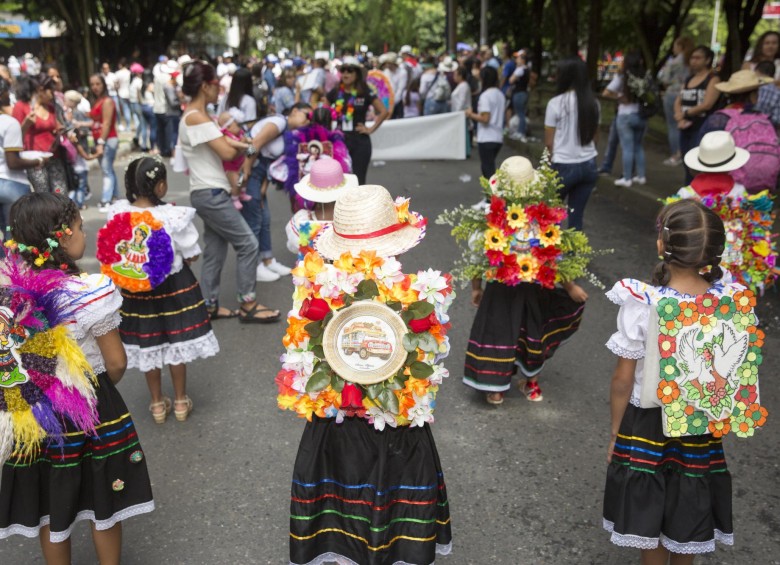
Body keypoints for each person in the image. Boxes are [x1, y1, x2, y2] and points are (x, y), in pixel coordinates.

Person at [279, 184, 453, 565]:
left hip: (334, 426)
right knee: (389, 506)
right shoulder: (421, 296)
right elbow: (430, 365)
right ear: (397, 244)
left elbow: (299, 359)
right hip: (394, 428)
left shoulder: (314, 290)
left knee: (339, 505)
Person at [0, 192, 154, 562]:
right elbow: (115, 362)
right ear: (65, 235)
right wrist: (100, 389)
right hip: (92, 405)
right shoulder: (89, 291)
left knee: (51, 506)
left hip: (33, 409)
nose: (86, 234)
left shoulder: (10, 294)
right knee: (104, 501)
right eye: (82, 228)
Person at [603, 199, 743, 560]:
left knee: (648, 510)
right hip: (700, 419)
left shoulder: (644, 302)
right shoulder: (728, 299)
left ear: (662, 245)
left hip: (647, 420)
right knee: (689, 502)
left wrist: (617, 431)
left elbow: (623, 379)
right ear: (714, 251)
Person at [459, 157, 589, 405]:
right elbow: (554, 256)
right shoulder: (542, 221)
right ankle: (531, 384)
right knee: (532, 331)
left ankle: (495, 389)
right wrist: (571, 286)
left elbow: (477, 258)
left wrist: (476, 289)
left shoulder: (490, 220)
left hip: (499, 290)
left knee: (497, 333)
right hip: (534, 289)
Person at [100, 157, 219, 424]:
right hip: (173, 287)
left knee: (148, 343)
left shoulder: (119, 213)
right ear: (161, 186)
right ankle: (179, 401)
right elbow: (192, 253)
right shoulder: (172, 216)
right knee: (176, 340)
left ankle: (156, 404)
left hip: (136, 289)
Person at [177, 60, 281, 323]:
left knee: (215, 250)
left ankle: (209, 306)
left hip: (209, 192)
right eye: (215, 85)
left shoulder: (197, 116)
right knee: (248, 243)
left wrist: (237, 143)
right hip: (210, 193)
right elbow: (224, 150)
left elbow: (226, 142)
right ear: (204, 86)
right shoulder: (195, 117)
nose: (219, 90)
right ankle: (248, 303)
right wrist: (246, 146)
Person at [544, 56, 600, 232]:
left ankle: (554, 254)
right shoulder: (593, 104)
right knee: (577, 216)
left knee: (553, 215)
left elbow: (549, 143)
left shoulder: (555, 104)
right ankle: (574, 256)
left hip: (563, 165)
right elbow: (595, 137)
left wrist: (547, 167)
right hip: (589, 164)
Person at [326, 57, 389, 185]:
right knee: (339, 181)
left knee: (358, 181)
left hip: (360, 142)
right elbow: (323, 113)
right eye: (343, 70)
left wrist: (370, 129)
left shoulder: (365, 91)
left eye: (350, 70)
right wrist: (328, 132)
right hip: (340, 142)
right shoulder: (336, 91)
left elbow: (383, 111)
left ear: (357, 74)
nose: (345, 74)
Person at [285, 156, 358, 261]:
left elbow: (293, 247)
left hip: (312, 275)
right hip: (348, 275)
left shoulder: (300, 220)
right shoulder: (355, 219)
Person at [12, 74, 68, 194]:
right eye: (50, 92)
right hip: (35, 162)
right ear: (40, 90)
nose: (52, 95)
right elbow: (14, 139)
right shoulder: (21, 107)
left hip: (54, 157)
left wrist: (59, 131)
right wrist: (26, 125)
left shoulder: (51, 108)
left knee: (60, 194)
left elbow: (55, 126)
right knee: (43, 197)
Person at [674, 45, 721, 184]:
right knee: (685, 159)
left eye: (698, 58)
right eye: (692, 58)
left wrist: (685, 113)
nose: (694, 61)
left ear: (707, 60)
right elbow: (679, 99)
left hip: (701, 127)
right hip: (685, 126)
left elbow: (707, 104)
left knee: (695, 164)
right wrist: (679, 115)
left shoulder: (713, 78)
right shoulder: (689, 79)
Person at [603, 51, 649, 188]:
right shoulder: (644, 77)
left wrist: (619, 97)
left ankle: (627, 178)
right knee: (638, 146)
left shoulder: (622, 77)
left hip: (625, 116)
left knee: (627, 148)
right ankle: (641, 176)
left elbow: (606, 92)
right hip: (641, 115)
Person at [0, 78, 39, 230]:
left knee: (4, 246)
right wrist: (38, 161)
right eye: (6, 92)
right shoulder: (9, 122)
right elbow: (13, 162)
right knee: (17, 241)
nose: (9, 95)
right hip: (12, 184)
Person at [466, 66, 504, 210]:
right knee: (490, 169)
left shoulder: (485, 96)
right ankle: (489, 198)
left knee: (487, 170)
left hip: (487, 137)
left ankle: (490, 201)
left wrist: (470, 114)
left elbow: (485, 118)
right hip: (497, 136)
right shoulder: (499, 94)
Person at [657, 36, 694, 166]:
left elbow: (664, 79)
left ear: (680, 46)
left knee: (673, 126)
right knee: (686, 124)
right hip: (688, 95)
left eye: (675, 45)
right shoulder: (692, 62)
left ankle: (675, 154)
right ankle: (685, 153)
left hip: (672, 94)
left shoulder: (674, 62)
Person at [89, 74, 120, 211]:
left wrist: (100, 142)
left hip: (107, 139)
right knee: (109, 170)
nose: (95, 87)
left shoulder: (107, 101)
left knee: (106, 170)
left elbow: (106, 124)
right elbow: (95, 121)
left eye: (98, 84)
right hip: (101, 139)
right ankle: (115, 197)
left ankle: (106, 200)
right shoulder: (97, 101)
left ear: (103, 85)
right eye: (92, 84)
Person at [217, 110, 252, 209]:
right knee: (236, 181)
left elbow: (248, 138)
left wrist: (249, 140)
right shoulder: (226, 135)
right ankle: (234, 198)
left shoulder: (241, 132)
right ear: (228, 127)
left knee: (243, 179)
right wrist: (244, 145)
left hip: (240, 162)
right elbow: (232, 143)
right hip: (230, 165)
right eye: (237, 124)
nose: (240, 126)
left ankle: (241, 192)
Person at [508, 50, 531, 142]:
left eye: (518, 58)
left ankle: (520, 132)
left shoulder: (520, 69)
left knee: (520, 114)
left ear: (523, 59)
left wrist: (516, 69)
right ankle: (519, 131)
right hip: (523, 93)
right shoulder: (525, 69)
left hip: (519, 93)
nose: (516, 59)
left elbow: (511, 80)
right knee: (520, 113)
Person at [451, 66, 472, 158]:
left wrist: (457, 112)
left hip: (461, 113)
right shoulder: (461, 85)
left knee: (463, 132)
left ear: (461, 76)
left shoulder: (463, 86)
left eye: (455, 75)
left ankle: (465, 151)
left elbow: (462, 101)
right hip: (459, 112)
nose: (454, 77)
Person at [754, 60, 780, 128]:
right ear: (773, 75)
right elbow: (777, 119)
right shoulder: (778, 93)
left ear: (757, 71)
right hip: (768, 131)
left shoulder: (753, 89)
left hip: (748, 127)